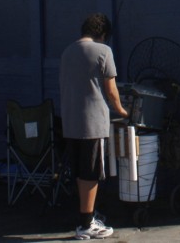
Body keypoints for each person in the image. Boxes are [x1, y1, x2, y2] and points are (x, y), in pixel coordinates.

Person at [59, 13, 129, 240]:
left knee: (80, 173)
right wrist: (122, 111)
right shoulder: (103, 51)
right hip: (92, 124)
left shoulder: (67, 52)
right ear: (103, 34)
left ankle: (86, 215)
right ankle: (86, 225)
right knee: (91, 174)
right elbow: (111, 90)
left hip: (70, 122)